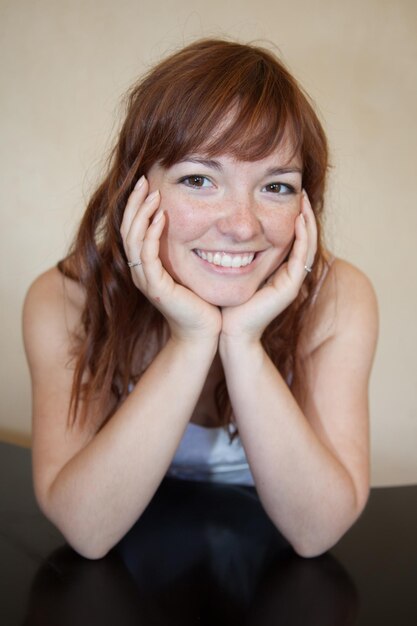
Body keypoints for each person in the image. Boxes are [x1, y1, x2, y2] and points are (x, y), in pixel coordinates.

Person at [23, 38, 378, 560]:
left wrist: (243, 340)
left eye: (276, 187)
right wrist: (190, 340)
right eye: (198, 179)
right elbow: (86, 530)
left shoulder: (339, 299)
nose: (241, 225)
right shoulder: (66, 300)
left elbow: (316, 531)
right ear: (136, 191)